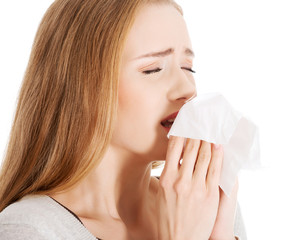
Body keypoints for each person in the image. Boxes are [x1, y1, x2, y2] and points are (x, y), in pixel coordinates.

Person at [0, 0, 245, 239]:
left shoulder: (203, 204)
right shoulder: (30, 230)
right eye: (153, 69)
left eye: (187, 68)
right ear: (84, 89)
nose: (187, 89)